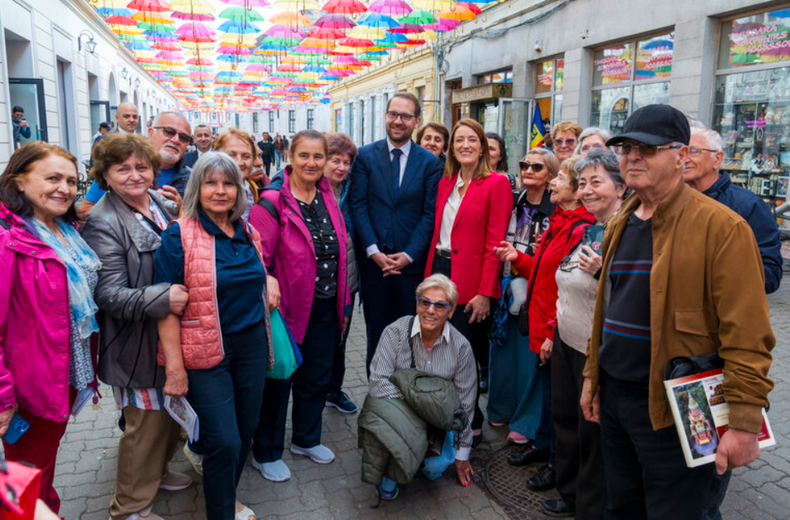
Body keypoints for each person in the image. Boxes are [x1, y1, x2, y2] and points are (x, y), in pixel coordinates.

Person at [580, 104, 775, 520]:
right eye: (626, 147)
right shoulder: (621, 221)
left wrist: (743, 423)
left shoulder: (722, 227)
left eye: (647, 149)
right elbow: (606, 311)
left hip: (677, 409)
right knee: (622, 508)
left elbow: (748, 334)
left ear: (681, 155)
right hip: (615, 398)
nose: (633, 156)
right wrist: (592, 378)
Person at [155, 152, 278, 520]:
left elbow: (257, 275)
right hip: (205, 352)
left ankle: (224, 498)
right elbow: (165, 305)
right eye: (211, 182)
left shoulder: (245, 230)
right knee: (223, 440)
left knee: (244, 432)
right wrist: (175, 370)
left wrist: (268, 279)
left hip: (252, 346)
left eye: (229, 183)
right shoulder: (179, 234)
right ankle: (222, 512)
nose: (221, 191)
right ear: (197, 188)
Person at [81, 134, 191, 520]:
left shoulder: (159, 201)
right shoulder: (102, 222)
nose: (134, 175)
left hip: (167, 332)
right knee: (143, 425)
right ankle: (129, 507)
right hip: (135, 342)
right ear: (105, 176)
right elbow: (108, 294)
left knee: (167, 416)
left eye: (141, 166)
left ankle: (156, 475)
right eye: (121, 169)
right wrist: (165, 297)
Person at [0, 142, 101, 514]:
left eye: (72, 181)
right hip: (26, 389)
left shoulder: (64, 228)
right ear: (19, 182)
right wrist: (3, 398)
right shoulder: (8, 238)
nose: (65, 188)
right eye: (52, 178)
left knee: (38, 474)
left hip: (60, 377)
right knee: (21, 486)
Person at [248, 130, 350, 483]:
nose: (311, 163)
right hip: (286, 309)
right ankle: (267, 451)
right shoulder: (273, 200)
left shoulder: (328, 196)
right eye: (303, 155)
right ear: (290, 156)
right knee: (279, 380)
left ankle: (306, 439)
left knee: (317, 376)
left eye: (318, 156)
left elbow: (339, 250)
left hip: (324, 303)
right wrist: (269, 281)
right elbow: (257, 258)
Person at [495, 155, 596, 494]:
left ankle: (556, 463)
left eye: (561, 179)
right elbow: (542, 269)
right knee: (548, 394)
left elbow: (572, 288)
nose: (552, 182)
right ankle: (541, 445)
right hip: (542, 324)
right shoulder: (561, 221)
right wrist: (518, 258)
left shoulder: (581, 228)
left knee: (559, 403)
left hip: (557, 327)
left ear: (578, 192)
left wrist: (552, 333)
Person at [542, 149, 627, 518]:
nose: (587, 190)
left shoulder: (629, 232)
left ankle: (590, 509)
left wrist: (601, 274)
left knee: (592, 434)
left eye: (597, 182)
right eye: (583, 183)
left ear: (622, 187)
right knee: (567, 423)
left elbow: (631, 295)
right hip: (566, 340)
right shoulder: (586, 228)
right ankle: (571, 493)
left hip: (597, 351)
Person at [424, 118, 512, 443]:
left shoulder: (496, 184)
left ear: (482, 146)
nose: (465, 145)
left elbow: (495, 241)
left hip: (471, 283)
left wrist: (485, 292)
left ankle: (472, 422)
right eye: (459, 140)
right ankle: (445, 416)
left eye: (471, 140)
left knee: (465, 355)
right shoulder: (445, 182)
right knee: (437, 350)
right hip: (439, 271)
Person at [349, 92, 444, 374]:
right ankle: (377, 399)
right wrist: (374, 251)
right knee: (376, 335)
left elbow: (429, 214)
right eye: (393, 114)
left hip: (410, 268)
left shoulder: (430, 163)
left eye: (405, 116)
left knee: (409, 337)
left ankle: (404, 401)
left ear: (416, 121)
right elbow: (359, 205)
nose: (398, 121)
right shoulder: (365, 156)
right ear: (386, 116)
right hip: (373, 266)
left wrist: (409, 255)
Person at [367, 274, 478, 499]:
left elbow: (466, 403)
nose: (430, 310)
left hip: (437, 420)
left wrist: (462, 454)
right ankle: (392, 467)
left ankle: (423, 461)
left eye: (440, 305)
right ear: (417, 303)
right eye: (424, 302)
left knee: (435, 467)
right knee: (392, 445)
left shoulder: (462, 347)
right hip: (398, 414)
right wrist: (417, 410)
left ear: (451, 310)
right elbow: (378, 383)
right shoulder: (394, 332)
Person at [488, 148, 556, 446]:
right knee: (502, 350)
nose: (528, 170)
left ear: (550, 174)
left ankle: (526, 421)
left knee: (530, 357)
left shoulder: (557, 209)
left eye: (537, 166)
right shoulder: (511, 200)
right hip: (505, 284)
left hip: (538, 289)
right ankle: (500, 407)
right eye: (524, 164)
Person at [683, 126, 782, 294]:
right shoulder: (667, 200)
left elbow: (769, 275)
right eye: (680, 152)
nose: (684, 159)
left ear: (717, 159)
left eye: (693, 151)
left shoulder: (749, 206)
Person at [81, 111, 192, 216]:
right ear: (151, 132)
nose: (176, 140)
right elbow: (85, 211)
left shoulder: (194, 178)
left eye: (183, 137)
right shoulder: (117, 169)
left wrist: (181, 211)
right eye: (169, 132)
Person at [323, 132, 360, 414]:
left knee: (340, 340)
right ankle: (313, 393)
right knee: (318, 343)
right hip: (320, 283)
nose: (341, 167)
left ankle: (333, 389)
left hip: (347, 281)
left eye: (346, 162)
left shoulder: (350, 189)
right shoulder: (311, 189)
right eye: (335, 160)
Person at [214, 129, 262, 222]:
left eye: (246, 156)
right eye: (231, 155)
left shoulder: (256, 193)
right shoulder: (206, 195)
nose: (239, 162)